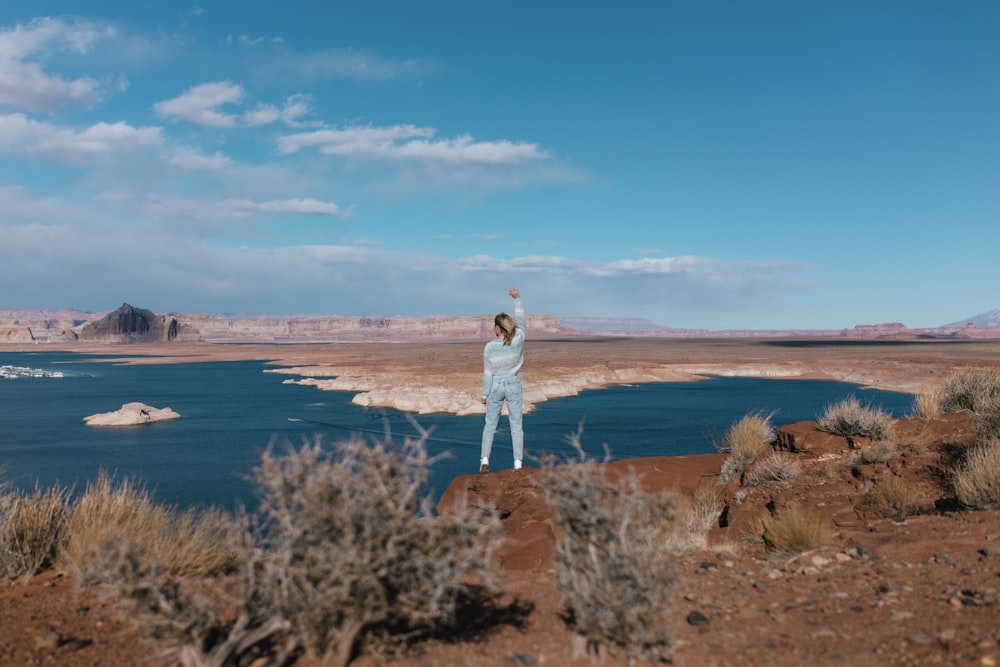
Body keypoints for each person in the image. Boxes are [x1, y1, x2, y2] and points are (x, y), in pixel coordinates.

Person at [480, 286, 525, 473]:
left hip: (496, 386)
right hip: (513, 384)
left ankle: (484, 461)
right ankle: (518, 464)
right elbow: (521, 322)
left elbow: (488, 373)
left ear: (497, 328)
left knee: (490, 426)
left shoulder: (490, 347)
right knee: (516, 426)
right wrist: (517, 299)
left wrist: (484, 394)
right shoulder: (519, 339)